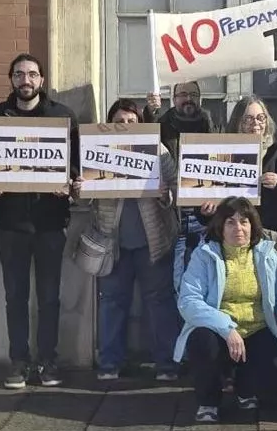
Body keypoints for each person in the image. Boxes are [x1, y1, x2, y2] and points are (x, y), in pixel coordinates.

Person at [0, 53, 78, 389]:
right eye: (19, 74)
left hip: (51, 223)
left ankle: (48, 361)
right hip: (10, 223)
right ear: (11, 78)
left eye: (32, 74)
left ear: (41, 80)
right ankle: (18, 362)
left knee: (50, 297)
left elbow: (76, 167)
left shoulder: (63, 117)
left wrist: (70, 185)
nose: (26, 80)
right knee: (15, 297)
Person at [73, 97, 182, 382]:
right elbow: (85, 197)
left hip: (153, 241)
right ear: (110, 124)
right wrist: (81, 189)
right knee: (111, 302)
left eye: (131, 122)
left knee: (159, 303)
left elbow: (176, 191)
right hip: (112, 241)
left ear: (141, 124)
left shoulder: (158, 151)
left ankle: (166, 364)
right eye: (120, 121)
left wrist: (164, 194)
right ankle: (109, 363)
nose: (125, 125)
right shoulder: (97, 148)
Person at [175, 197, 277, 424]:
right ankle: (208, 401)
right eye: (231, 222)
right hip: (219, 331)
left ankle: (246, 390)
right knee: (202, 341)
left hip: (257, 327)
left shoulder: (267, 253)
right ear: (220, 227)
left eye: (244, 222)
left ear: (253, 225)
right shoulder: (203, 255)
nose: (238, 228)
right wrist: (227, 329)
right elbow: (189, 301)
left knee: (271, 376)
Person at [158, 81, 219, 287]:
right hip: (172, 214)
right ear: (173, 99)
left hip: (205, 215)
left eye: (193, 94)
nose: (188, 99)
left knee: (203, 280)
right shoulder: (160, 126)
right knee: (172, 280)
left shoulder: (213, 125)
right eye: (183, 94)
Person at [226, 95, 277, 243]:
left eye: (261, 117)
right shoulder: (224, 152)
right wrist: (206, 212)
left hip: (272, 238)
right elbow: (210, 196)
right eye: (248, 118)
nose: (255, 123)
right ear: (238, 123)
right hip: (235, 236)